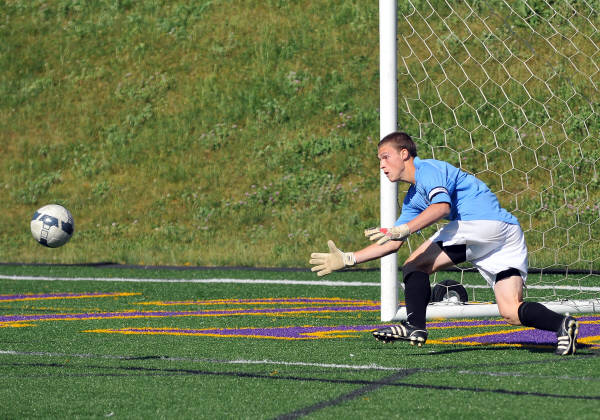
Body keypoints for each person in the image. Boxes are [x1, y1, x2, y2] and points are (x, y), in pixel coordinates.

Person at [309, 131, 579, 355]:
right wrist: (349, 258)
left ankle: (414, 326)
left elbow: (440, 208)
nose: (381, 164)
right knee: (510, 310)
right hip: (505, 234)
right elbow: (393, 243)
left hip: (480, 225)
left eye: (385, 156)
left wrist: (402, 229)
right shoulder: (413, 198)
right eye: (379, 159)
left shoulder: (428, 170)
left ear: (404, 154)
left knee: (415, 265)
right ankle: (562, 324)